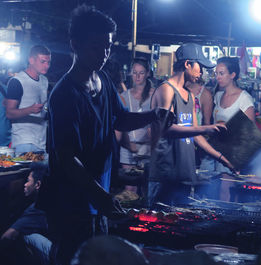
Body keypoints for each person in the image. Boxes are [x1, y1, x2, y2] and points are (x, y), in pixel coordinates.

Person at [35, 5, 172, 265]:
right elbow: (66, 158)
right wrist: (102, 196)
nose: (104, 54)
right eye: (96, 47)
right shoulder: (65, 95)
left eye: (108, 46)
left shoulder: (103, 81)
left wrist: (154, 115)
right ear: (75, 44)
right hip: (70, 201)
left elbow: (119, 119)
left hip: (97, 199)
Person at [148, 43, 235, 206]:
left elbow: (196, 135)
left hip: (185, 175)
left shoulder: (189, 95)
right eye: (199, 67)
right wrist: (206, 127)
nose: (201, 72)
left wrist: (222, 159)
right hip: (165, 175)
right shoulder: (166, 90)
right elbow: (166, 130)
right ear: (187, 64)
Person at [199, 57, 255, 201]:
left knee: (226, 191)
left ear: (233, 75)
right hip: (215, 151)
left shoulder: (244, 98)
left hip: (232, 152)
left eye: (221, 73)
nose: (217, 77)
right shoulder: (217, 96)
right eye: (216, 73)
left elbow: (250, 133)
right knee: (208, 189)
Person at [115, 57, 154, 199]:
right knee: (129, 188)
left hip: (148, 147)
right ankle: (129, 217)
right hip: (128, 146)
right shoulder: (125, 95)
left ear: (148, 73)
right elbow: (120, 122)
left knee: (147, 187)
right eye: (135, 72)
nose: (137, 76)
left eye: (141, 73)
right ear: (131, 73)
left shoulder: (154, 94)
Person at [0, 162, 51, 265]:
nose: (25, 184)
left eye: (28, 181)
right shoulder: (51, 198)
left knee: (23, 235)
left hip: (55, 254)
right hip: (68, 250)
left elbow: (7, 236)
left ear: (38, 185)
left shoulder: (37, 208)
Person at [5, 45, 51, 154]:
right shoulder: (17, 81)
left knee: (41, 171)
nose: (47, 66)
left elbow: (44, 110)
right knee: (25, 171)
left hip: (41, 142)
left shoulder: (44, 80)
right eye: (43, 61)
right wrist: (30, 109)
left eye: (49, 62)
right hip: (24, 142)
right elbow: (9, 113)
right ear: (31, 60)